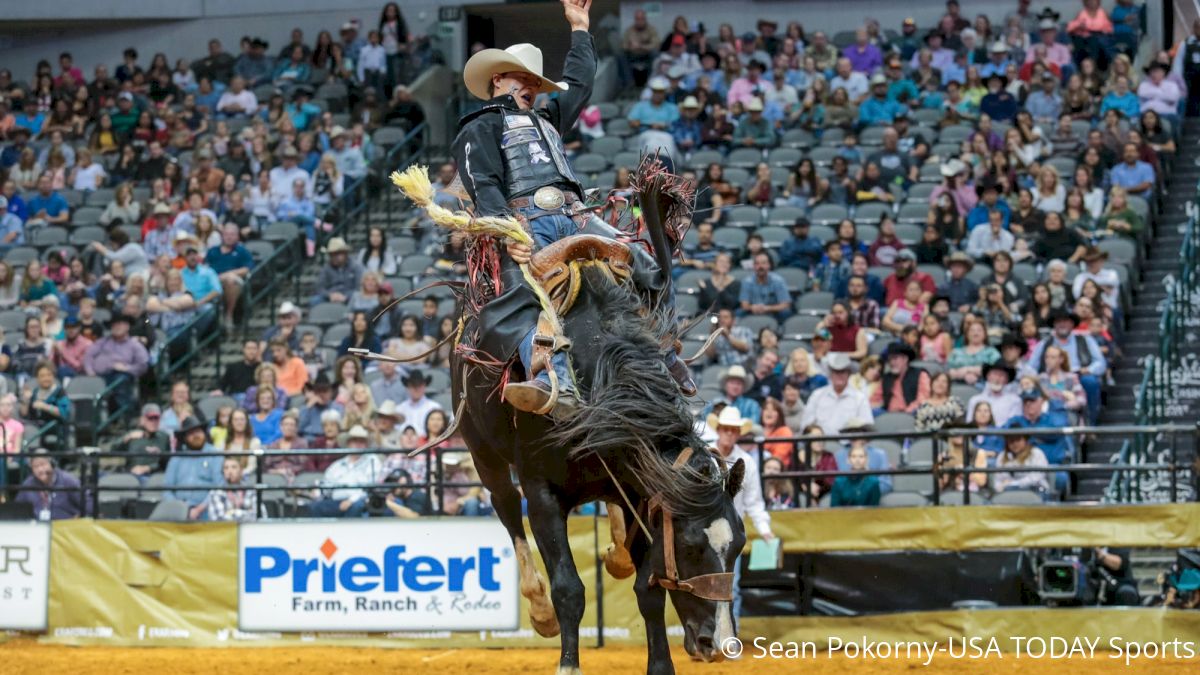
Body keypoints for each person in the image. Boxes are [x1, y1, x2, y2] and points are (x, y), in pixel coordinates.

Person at [453, 0, 694, 416]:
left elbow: (579, 84)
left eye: (534, 79)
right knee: (513, 300)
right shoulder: (481, 126)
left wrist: (580, 30)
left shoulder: (549, 118)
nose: (531, 84)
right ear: (498, 80)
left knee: (649, 265)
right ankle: (552, 375)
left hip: (578, 216)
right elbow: (484, 184)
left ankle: (662, 348)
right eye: (522, 76)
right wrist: (511, 234)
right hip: (527, 223)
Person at [707, 406, 773, 627]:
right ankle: (707, 638)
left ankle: (728, 638)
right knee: (705, 585)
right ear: (719, 429)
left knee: (730, 587)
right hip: (704, 530)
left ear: (737, 433)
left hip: (730, 534)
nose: (729, 433)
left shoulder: (747, 463)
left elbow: (754, 502)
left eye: (733, 430)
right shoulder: (704, 456)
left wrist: (764, 529)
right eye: (726, 429)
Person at [1028, 308, 1106, 424]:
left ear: (1072, 324)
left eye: (1066, 321)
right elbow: (1030, 367)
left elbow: (1101, 363)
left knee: (1090, 381)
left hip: (1078, 376)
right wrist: (1035, 379)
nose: (1062, 324)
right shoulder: (1044, 344)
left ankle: (1090, 425)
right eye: (1059, 321)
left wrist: (1089, 369)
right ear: (1054, 324)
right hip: (1050, 380)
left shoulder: (1085, 339)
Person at [307, 425, 381, 517]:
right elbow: (327, 485)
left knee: (357, 507)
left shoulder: (372, 460)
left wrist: (351, 500)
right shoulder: (337, 465)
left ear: (366, 444)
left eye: (361, 441)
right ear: (348, 443)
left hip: (360, 500)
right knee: (316, 506)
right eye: (354, 441)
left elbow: (371, 487)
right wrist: (318, 492)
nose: (358, 444)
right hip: (336, 500)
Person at [799, 353, 873, 435]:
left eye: (842, 372)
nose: (839, 375)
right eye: (836, 372)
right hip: (820, 443)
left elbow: (867, 426)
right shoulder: (817, 395)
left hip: (848, 444)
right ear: (830, 374)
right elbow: (805, 425)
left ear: (848, 374)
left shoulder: (860, 398)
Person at [83, 314, 149, 404]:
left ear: (127, 326)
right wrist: (90, 372)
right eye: (114, 324)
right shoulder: (103, 341)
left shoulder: (134, 345)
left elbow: (143, 364)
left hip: (120, 377)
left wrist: (127, 368)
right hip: (98, 376)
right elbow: (88, 355)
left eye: (119, 324)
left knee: (120, 380)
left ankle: (124, 413)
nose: (116, 327)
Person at [163, 416, 224, 508]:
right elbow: (167, 489)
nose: (196, 435)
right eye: (191, 433)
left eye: (198, 431)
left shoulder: (215, 455)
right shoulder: (177, 458)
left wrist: (200, 509)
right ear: (185, 438)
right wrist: (178, 509)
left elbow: (219, 487)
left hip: (208, 509)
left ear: (204, 433)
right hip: (178, 509)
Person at [15, 451, 88, 520]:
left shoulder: (68, 480)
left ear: (52, 464)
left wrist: (77, 519)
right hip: (38, 529)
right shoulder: (28, 484)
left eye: (43, 464)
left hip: (65, 529)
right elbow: (18, 510)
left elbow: (89, 505)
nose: (40, 469)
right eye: (35, 467)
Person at [193, 456, 260, 522]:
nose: (229, 471)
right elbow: (219, 520)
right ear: (223, 472)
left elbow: (260, 515)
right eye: (226, 468)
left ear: (241, 470)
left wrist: (231, 513)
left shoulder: (251, 491)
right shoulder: (216, 492)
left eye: (234, 467)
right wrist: (245, 513)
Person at [116, 403, 171, 479]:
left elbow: (167, 463)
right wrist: (127, 437)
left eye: (156, 418)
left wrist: (148, 468)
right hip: (132, 477)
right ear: (142, 420)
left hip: (155, 477)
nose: (154, 421)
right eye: (150, 418)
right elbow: (112, 450)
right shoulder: (132, 436)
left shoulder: (164, 437)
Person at [994, 429, 1051, 496]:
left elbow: (1036, 477)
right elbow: (998, 480)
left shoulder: (1036, 453)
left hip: (1035, 491)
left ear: (1025, 440)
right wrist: (1000, 487)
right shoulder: (1002, 456)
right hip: (1009, 493)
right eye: (1011, 441)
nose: (1014, 444)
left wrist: (1012, 484)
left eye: (1018, 440)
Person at [966, 362, 1022, 427]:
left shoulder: (1015, 401)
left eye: (1001, 375)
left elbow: (1013, 427)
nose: (997, 379)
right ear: (988, 377)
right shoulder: (975, 400)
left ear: (1007, 380)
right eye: (994, 374)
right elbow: (969, 426)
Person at [312, 237, 363, 305]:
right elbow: (320, 287)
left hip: (349, 295)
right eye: (331, 254)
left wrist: (346, 296)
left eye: (337, 254)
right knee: (315, 301)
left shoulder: (355, 266)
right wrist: (330, 295)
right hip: (331, 296)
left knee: (357, 297)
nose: (334, 257)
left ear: (345, 253)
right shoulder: (326, 268)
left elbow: (359, 287)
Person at [393, 369, 441, 437]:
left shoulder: (434, 408)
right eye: (413, 385)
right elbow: (396, 431)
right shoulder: (399, 409)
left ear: (424, 386)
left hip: (428, 445)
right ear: (407, 387)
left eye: (419, 385)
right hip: (404, 445)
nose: (416, 388)